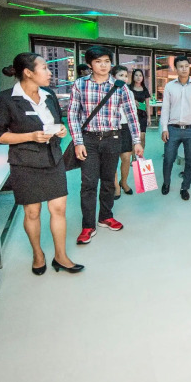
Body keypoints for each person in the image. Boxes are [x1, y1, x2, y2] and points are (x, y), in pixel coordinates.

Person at [0, 53, 83, 275]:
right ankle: (38, 254)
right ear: (28, 72)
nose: (50, 73)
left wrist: (61, 130)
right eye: (44, 68)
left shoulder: (49, 95)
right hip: (25, 162)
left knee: (59, 208)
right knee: (32, 212)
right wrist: (30, 136)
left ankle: (60, 256)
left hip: (53, 159)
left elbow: (57, 122)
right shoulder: (4, 99)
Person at [68, 47, 143, 245]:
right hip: (89, 140)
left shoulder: (120, 86)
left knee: (109, 180)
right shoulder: (80, 84)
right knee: (88, 183)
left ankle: (105, 216)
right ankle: (88, 225)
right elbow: (73, 115)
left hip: (113, 138)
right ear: (90, 64)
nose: (103, 65)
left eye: (107, 61)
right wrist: (78, 142)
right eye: (98, 61)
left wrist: (136, 141)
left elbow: (132, 114)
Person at [160, 55, 191, 201]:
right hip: (172, 129)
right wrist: (164, 128)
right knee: (168, 158)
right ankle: (166, 183)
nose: (184, 69)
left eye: (186, 66)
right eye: (181, 66)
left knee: (190, 161)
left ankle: (185, 187)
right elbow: (165, 108)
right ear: (176, 69)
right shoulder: (169, 86)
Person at [110, 65, 134, 199]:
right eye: (121, 75)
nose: (124, 78)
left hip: (126, 128)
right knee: (112, 160)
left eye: (126, 76)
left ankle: (123, 182)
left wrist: (136, 135)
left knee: (126, 158)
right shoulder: (108, 91)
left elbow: (133, 114)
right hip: (112, 129)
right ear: (113, 77)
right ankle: (116, 186)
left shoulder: (129, 92)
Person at [129, 68, 151, 150]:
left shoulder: (145, 89)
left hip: (142, 115)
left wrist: (149, 118)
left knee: (142, 136)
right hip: (132, 115)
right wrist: (132, 100)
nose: (138, 77)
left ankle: (140, 156)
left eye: (140, 75)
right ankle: (134, 157)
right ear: (133, 76)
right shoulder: (129, 88)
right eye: (136, 75)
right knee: (133, 137)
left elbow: (147, 105)